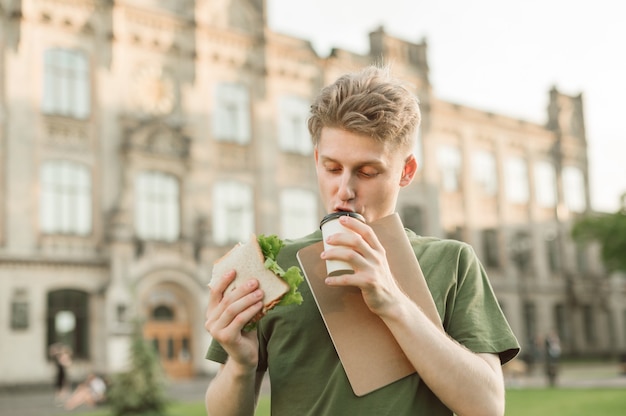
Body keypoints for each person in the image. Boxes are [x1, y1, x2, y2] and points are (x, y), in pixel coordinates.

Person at [204, 65, 520, 415]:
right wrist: (239, 365)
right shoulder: (274, 267)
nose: (345, 191)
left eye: (368, 172)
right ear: (316, 160)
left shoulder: (452, 261)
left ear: (407, 171)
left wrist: (393, 302)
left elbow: (488, 406)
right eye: (332, 168)